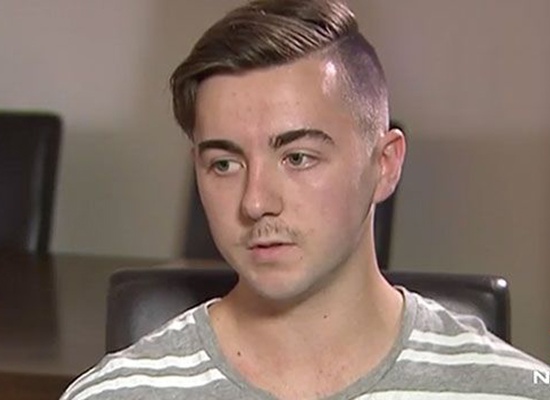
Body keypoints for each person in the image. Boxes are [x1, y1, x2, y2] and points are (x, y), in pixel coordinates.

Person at [61, 1, 548, 399]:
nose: (255, 203)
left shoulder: (510, 390)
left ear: (385, 165)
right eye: (224, 164)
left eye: (297, 158)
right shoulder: (116, 395)